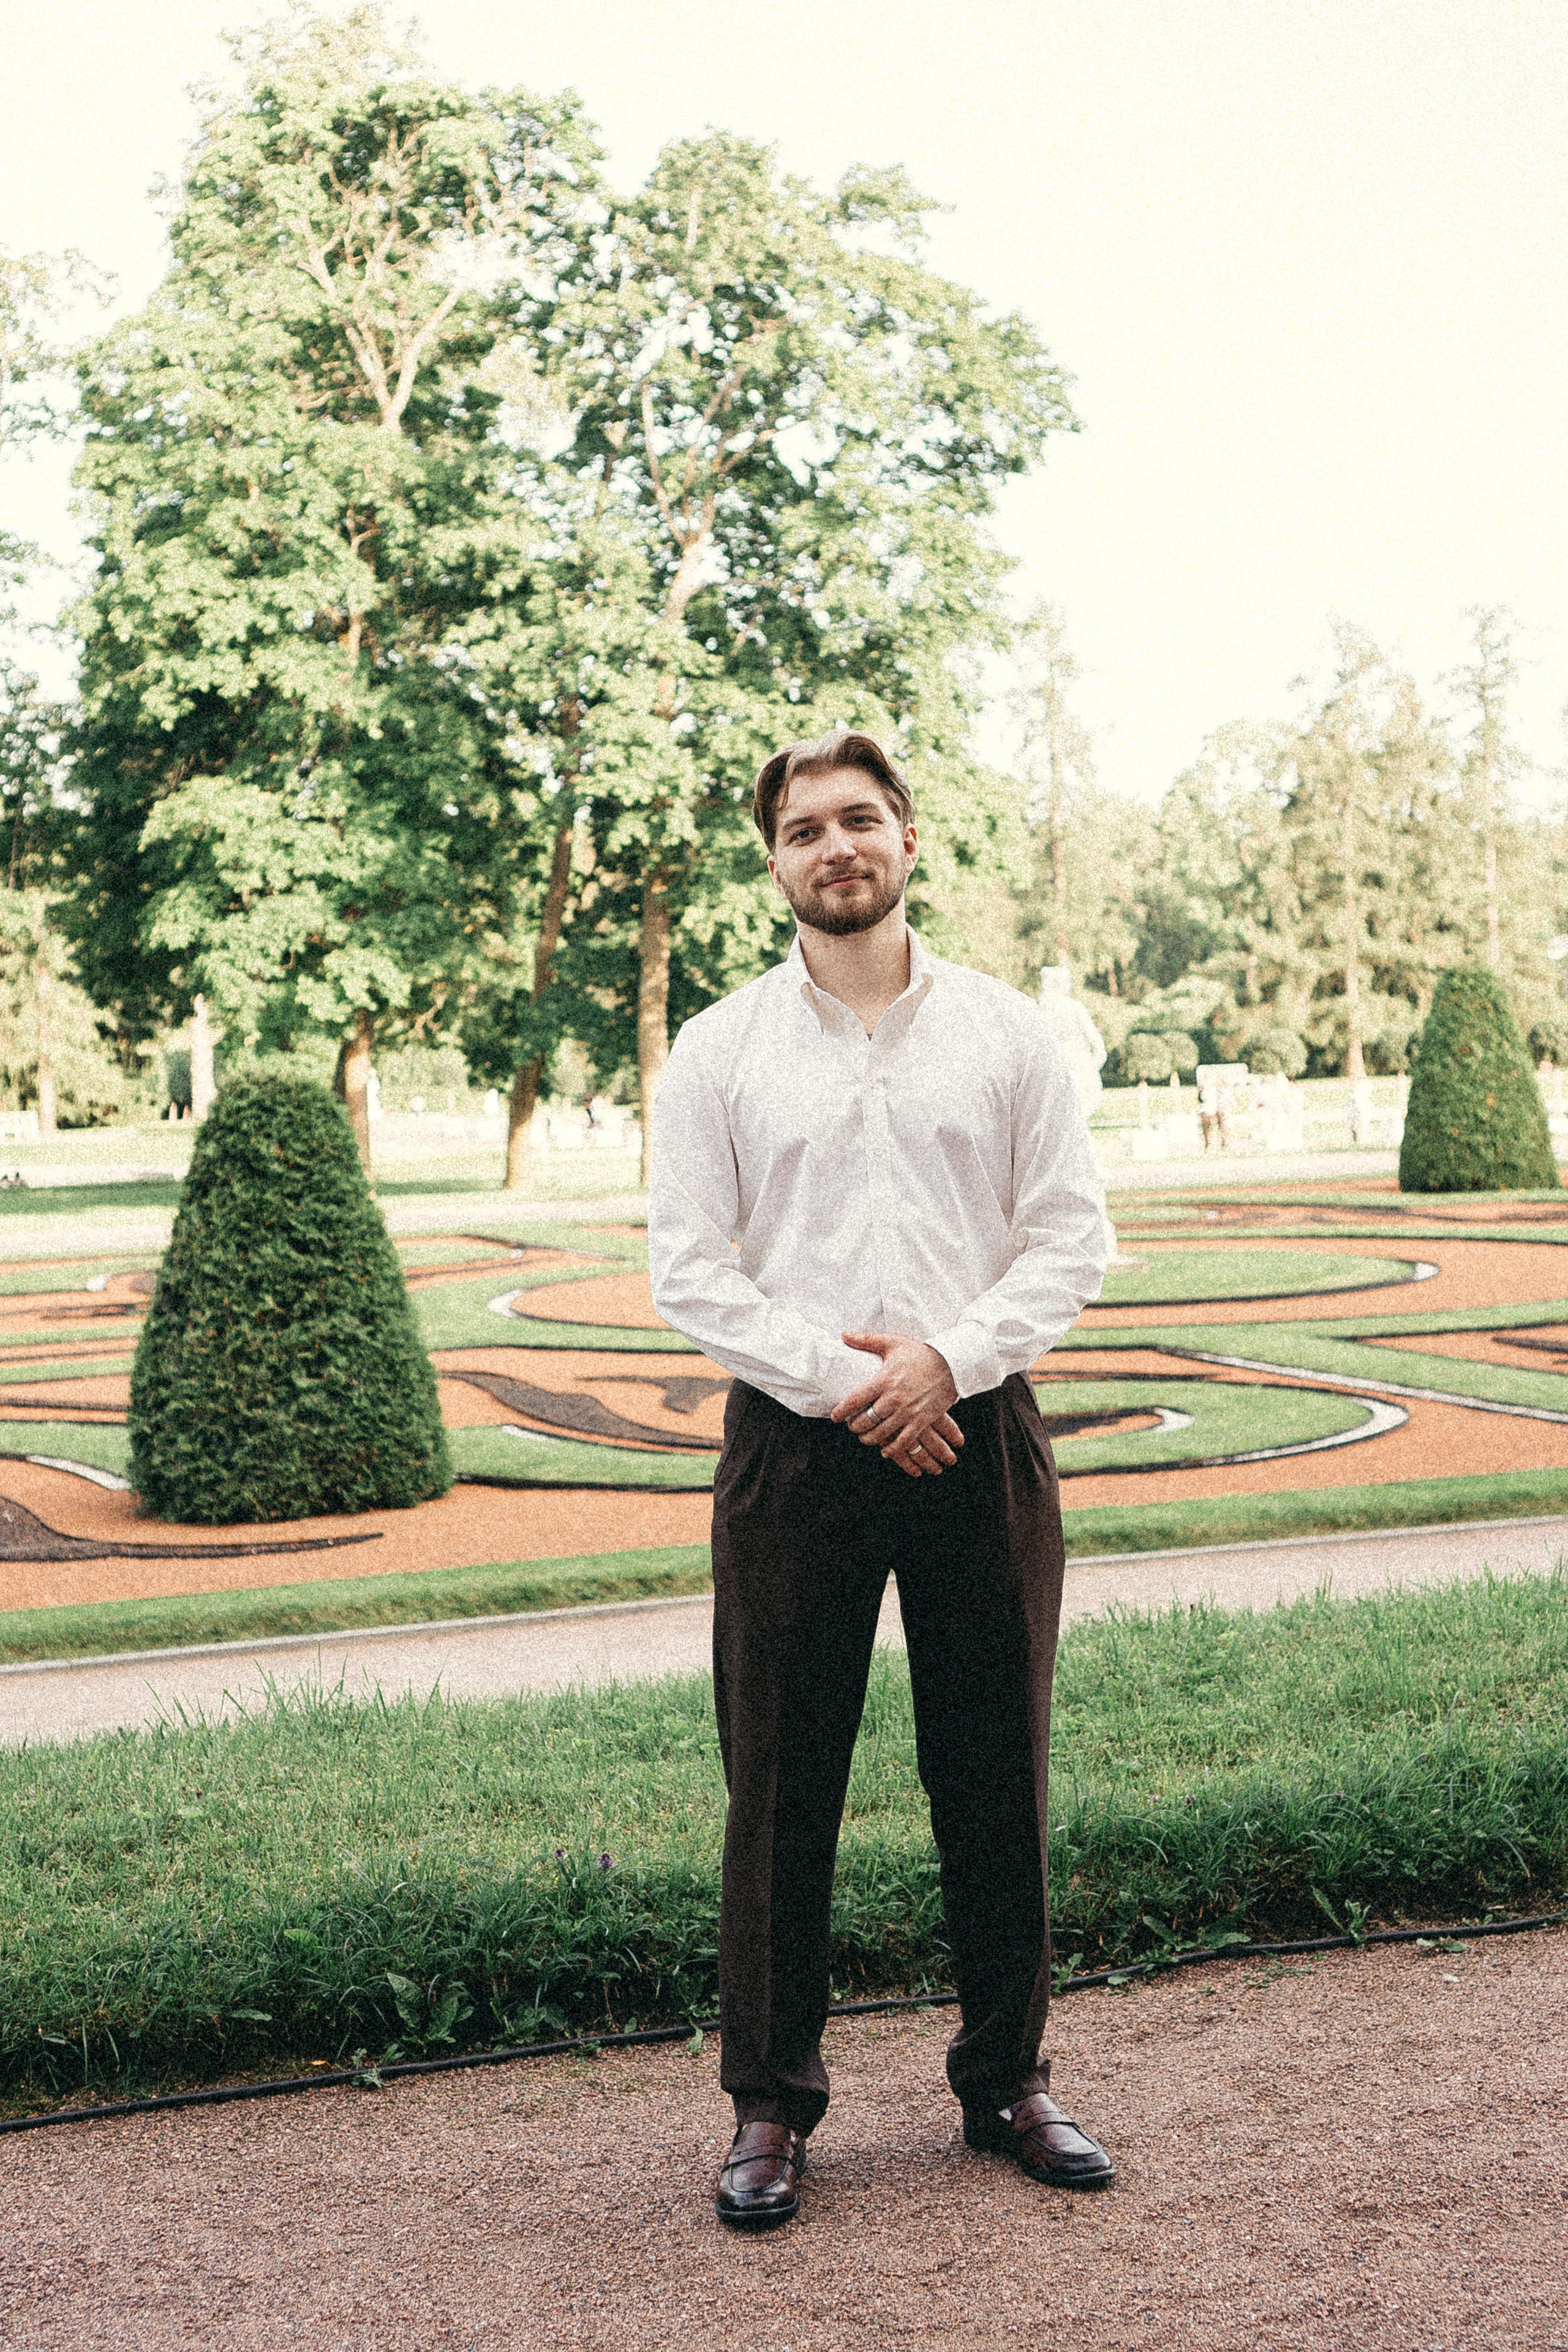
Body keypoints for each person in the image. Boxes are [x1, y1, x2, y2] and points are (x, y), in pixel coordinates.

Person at [649, 726, 1114, 2231]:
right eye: (802, 830)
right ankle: (768, 2104)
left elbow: (1070, 1238)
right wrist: (857, 1382)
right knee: (780, 1778)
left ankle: (1006, 2079)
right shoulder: (719, 1048)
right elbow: (688, 1270)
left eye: (857, 819)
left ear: (908, 837)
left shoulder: (1006, 1033)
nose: (833, 847)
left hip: (975, 1430)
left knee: (994, 1764)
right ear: (773, 862)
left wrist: (943, 1364)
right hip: (796, 1444)